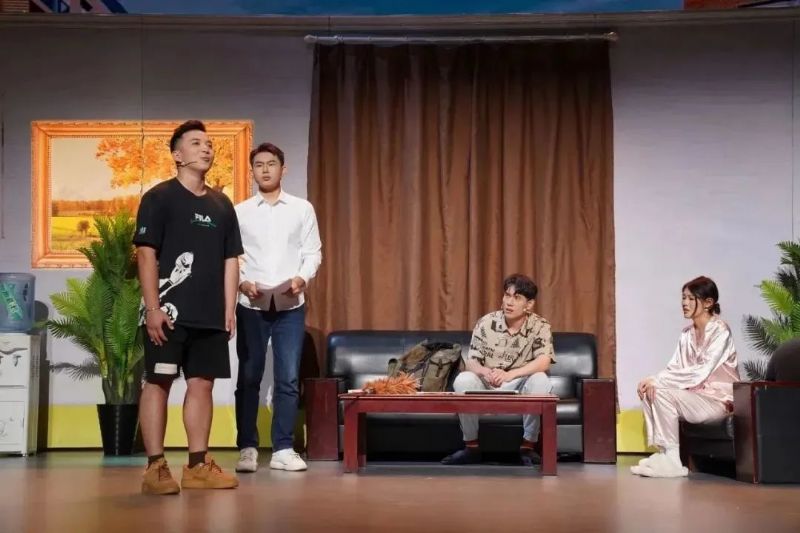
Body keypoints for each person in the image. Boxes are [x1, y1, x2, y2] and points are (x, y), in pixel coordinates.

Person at [135, 120, 243, 494]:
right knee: (158, 382)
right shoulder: (159, 198)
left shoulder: (222, 204)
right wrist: (152, 308)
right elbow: (146, 254)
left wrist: (229, 309)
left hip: (209, 315)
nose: (206, 148)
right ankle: (155, 467)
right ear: (177, 155)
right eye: (196, 143)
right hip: (167, 313)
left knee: (202, 384)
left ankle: (197, 466)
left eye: (209, 143)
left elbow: (231, 259)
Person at [234, 142, 322, 473]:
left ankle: (284, 447)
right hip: (251, 304)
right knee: (249, 376)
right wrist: (243, 282)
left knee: (288, 377)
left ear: (283, 169)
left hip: (290, 304)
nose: (265, 169)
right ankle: (247, 447)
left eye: (271, 164)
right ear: (252, 171)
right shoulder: (240, 211)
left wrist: (301, 278)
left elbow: (313, 252)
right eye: (259, 165)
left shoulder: (301, 209)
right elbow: (232, 257)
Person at [632, 276, 740, 478]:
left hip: (718, 402)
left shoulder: (720, 331)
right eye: (683, 298)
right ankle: (665, 454)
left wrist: (659, 381)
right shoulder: (686, 334)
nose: (684, 303)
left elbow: (701, 371)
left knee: (659, 388)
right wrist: (653, 379)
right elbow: (675, 367)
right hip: (695, 399)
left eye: (691, 298)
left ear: (708, 303)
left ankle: (673, 461)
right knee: (650, 390)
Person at [441, 274, 555, 466]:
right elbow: (472, 362)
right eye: (507, 295)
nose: (509, 302)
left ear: (529, 304)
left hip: (519, 382)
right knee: (463, 379)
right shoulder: (486, 322)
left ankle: (528, 447)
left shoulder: (540, 325)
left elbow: (544, 361)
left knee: (541, 380)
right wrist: (485, 372)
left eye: (517, 298)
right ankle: (471, 447)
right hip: (488, 382)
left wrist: (510, 374)